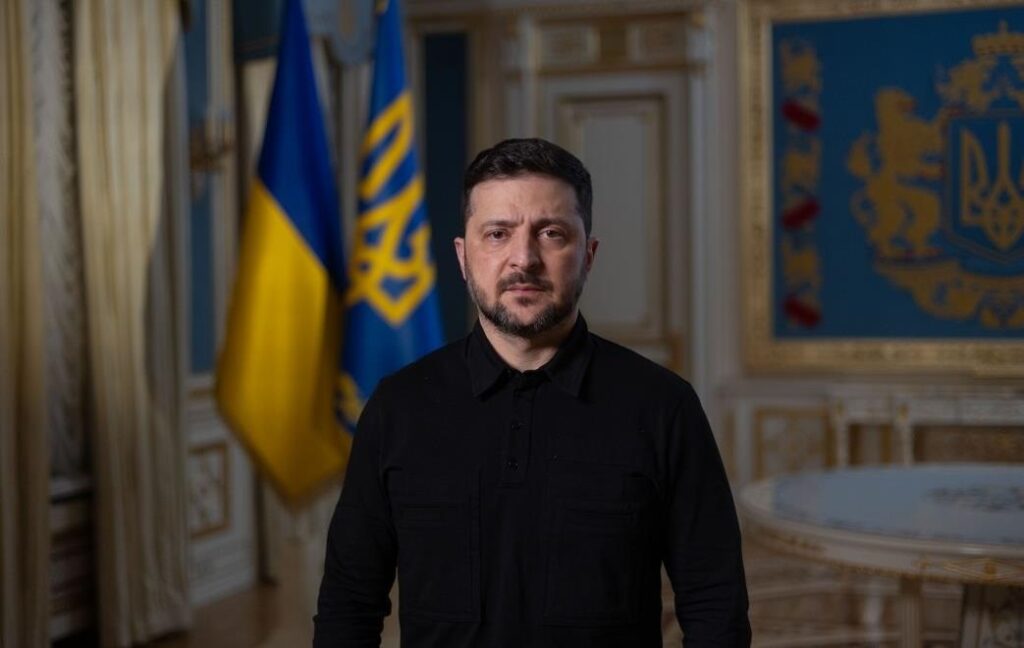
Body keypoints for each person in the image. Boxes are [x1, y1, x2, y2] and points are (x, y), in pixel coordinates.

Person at [314, 138, 751, 647]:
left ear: (588, 255)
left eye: (551, 233)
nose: (523, 259)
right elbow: (350, 602)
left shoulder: (663, 407)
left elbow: (715, 604)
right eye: (497, 234)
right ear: (463, 257)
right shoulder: (398, 408)